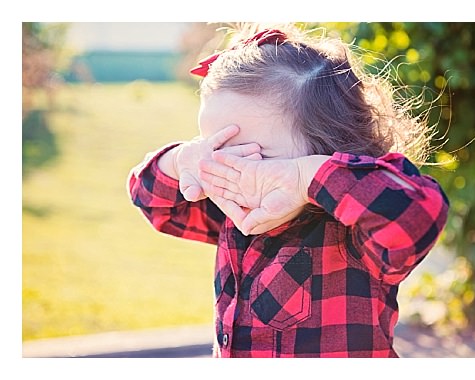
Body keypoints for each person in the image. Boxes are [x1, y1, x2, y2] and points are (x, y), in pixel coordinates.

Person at [127, 25, 448, 357]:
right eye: (218, 152)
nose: (235, 173)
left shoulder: (353, 232)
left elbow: (418, 216)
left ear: (324, 149)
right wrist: (184, 160)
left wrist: (302, 178)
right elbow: (154, 202)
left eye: (259, 157)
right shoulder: (232, 211)